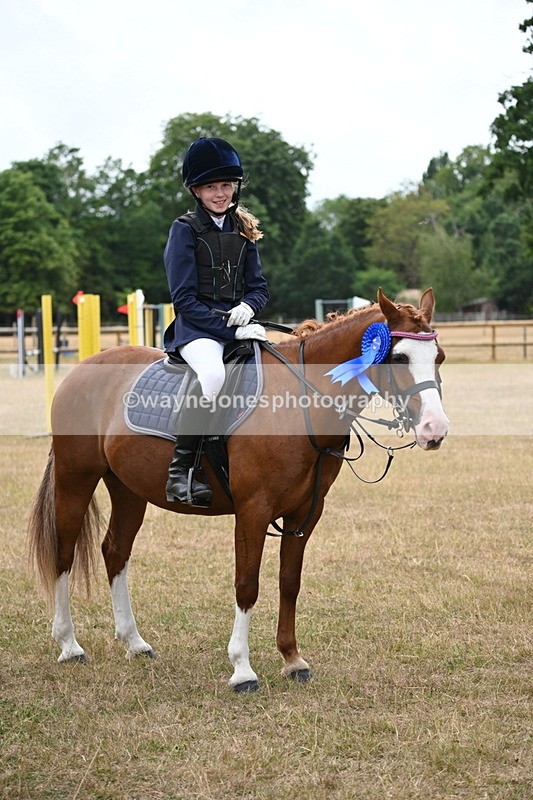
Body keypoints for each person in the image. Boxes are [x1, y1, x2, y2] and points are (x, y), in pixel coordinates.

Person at [163, 137, 269, 505]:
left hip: (238, 324)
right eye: (212, 187)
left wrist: (249, 308)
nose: (221, 193)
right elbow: (184, 300)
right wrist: (229, 327)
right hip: (196, 330)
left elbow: (259, 287)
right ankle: (181, 472)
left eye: (227, 185)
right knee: (212, 375)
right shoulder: (184, 229)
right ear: (197, 190)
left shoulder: (243, 228)